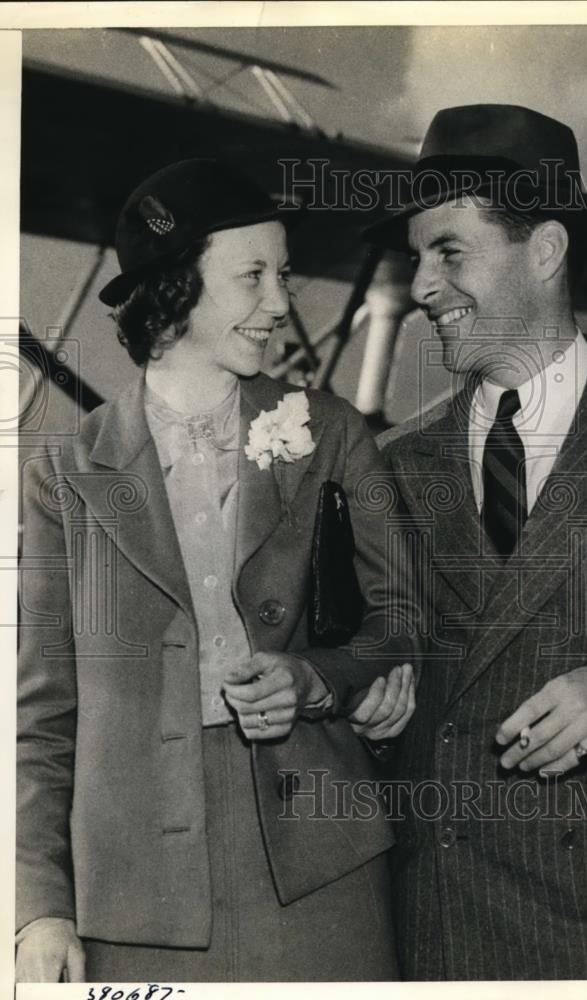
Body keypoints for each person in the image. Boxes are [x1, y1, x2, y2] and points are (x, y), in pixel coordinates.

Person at [16, 157, 419, 983]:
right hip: (132, 895)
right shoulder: (65, 469)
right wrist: (41, 908)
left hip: (322, 869)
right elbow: (42, 711)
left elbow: (404, 620)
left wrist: (314, 678)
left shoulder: (332, 431)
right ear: (174, 287)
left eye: (285, 275)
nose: (280, 303)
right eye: (253, 276)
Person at [367, 105, 587, 979]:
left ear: (546, 250)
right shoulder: (392, 465)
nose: (421, 286)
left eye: (449, 252)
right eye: (417, 257)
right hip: (438, 933)